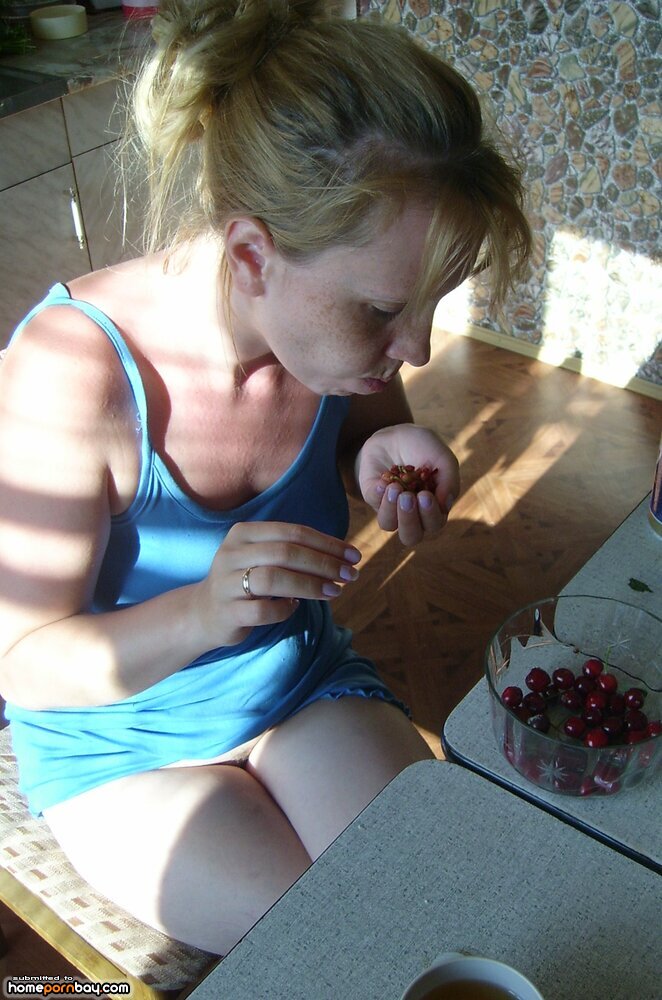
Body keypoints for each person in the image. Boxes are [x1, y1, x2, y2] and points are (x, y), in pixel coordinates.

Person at [0, 0, 531, 955]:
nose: (413, 347)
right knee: (336, 947)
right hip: (122, 746)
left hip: (298, 682)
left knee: (445, 903)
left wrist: (378, 461)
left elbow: (365, 432)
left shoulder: (332, 336)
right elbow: (24, 660)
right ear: (252, 254)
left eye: (430, 307)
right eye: (384, 311)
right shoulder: (74, 375)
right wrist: (203, 611)